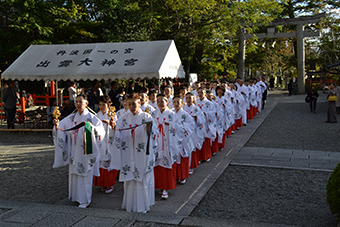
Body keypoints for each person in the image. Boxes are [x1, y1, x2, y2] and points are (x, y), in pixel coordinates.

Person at [52, 94, 105, 208]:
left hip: (86, 152)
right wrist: (57, 125)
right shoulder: (72, 117)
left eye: (81, 101)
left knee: (85, 175)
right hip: (74, 150)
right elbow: (62, 127)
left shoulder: (92, 117)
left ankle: (85, 200)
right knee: (75, 174)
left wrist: (92, 128)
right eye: (76, 102)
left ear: (86, 103)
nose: (78, 104)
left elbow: (101, 131)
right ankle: (77, 197)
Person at [112, 93, 157, 213]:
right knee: (129, 178)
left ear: (139, 103)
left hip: (141, 153)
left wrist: (148, 128)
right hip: (128, 151)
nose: (132, 106)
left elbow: (153, 134)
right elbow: (118, 133)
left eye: (134, 104)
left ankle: (142, 206)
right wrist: (113, 128)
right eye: (130, 104)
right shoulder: (123, 118)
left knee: (141, 178)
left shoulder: (146, 116)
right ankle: (130, 205)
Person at [151, 93, 182, 199]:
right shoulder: (153, 114)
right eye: (158, 101)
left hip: (168, 142)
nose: (160, 103)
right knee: (157, 165)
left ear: (167, 102)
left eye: (162, 101)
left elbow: (179, 128)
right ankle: (159, 186)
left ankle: (165, 189)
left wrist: (171, 126)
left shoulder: (171, 114)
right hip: (157, 141)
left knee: (166, 165)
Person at [93, 95, 118, 194]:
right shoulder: (97, 115)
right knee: (99, 163)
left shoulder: (112, 115)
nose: (102, 107)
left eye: (104, 104)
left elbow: (117, 127)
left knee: (108, 164)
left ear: (108, 105)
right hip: (99, 142)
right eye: (100, 105)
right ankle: (101, 183)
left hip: (108, 142)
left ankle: (109, 184)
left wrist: (111, 124)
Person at [173, 96, 195, 184]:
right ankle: (176, 176)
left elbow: (191, 125)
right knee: (175, 158)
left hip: (183, 139)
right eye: (175, 102)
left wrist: (183, 124)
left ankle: (183, 176)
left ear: (182, 103)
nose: (176, 104)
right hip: (174, 139)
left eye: (178, 102)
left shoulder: (185, 114)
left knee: (183, 157)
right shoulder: (171, 114)